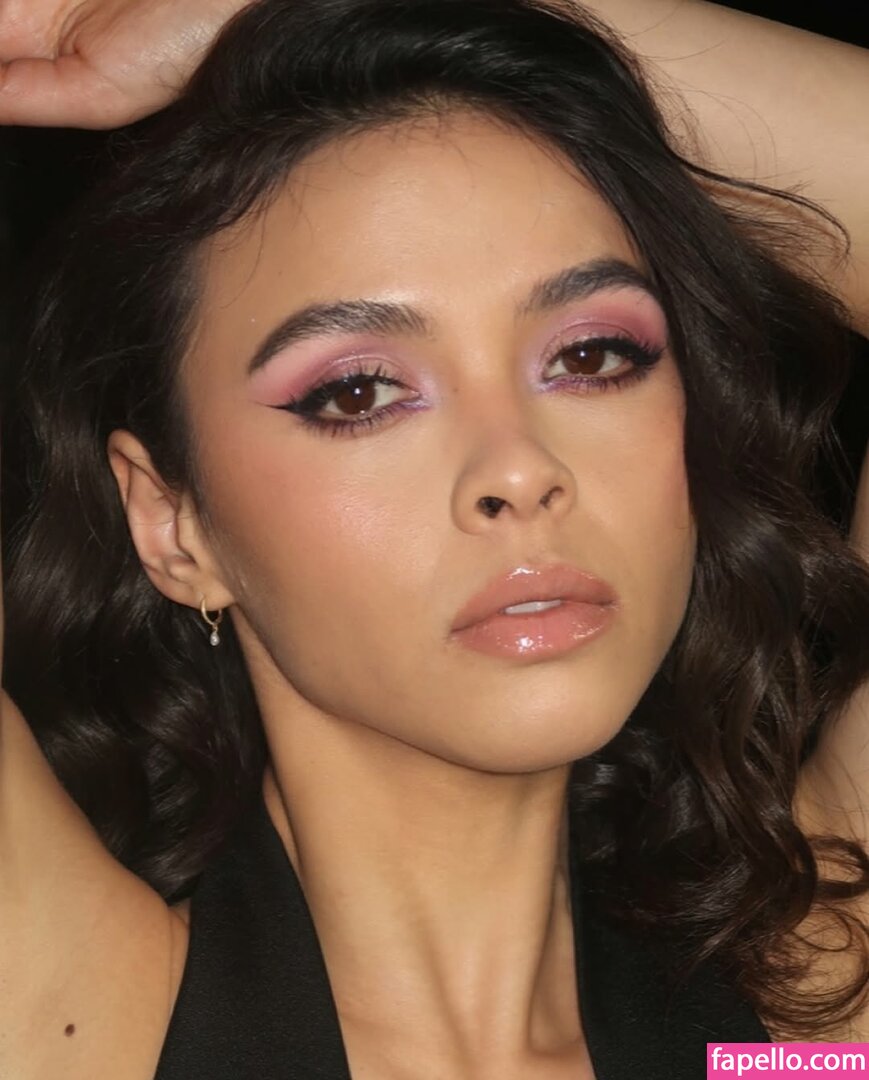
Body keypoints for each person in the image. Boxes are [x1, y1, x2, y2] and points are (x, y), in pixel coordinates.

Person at [0, 1, 867, 1077]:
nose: (519, 469)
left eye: (590, 356)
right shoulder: (70, 1025)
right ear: (172, 525)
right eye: (359, 391)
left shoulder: (809, 1026)